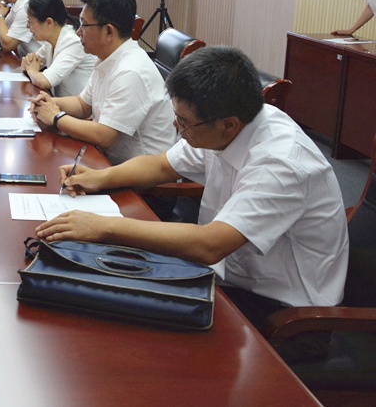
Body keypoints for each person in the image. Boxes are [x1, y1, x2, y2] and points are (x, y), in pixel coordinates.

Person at [35, 46, 349, 338]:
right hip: (228, 277)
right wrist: (99, 178)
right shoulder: (224, 126)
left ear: (228, 125)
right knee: (104, 285)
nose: (176, 127)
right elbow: (162, 166)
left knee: (127, 325)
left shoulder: (280, 162)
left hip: (284, 312)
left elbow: (210, 244)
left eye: (184, 122)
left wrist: (103, 226)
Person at [31, 0, 174, 165]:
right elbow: (83, 104)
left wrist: (56, 117)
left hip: (141, 175)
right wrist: (50, 103)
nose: (78, 32)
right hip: (109, 161)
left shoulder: (130, 71)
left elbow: (105, 136)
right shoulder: (107, 58)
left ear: (109, 31)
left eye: (84, 25)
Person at [21, 0, 97, 97]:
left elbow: (44, 81)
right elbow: (27, 63)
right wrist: (29, 63)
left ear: (49, 22)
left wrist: (31, 70)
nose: (27, 27)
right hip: (60, 104)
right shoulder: (50, 42)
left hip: (79, 107)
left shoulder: (73, 42)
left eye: (30, 22)